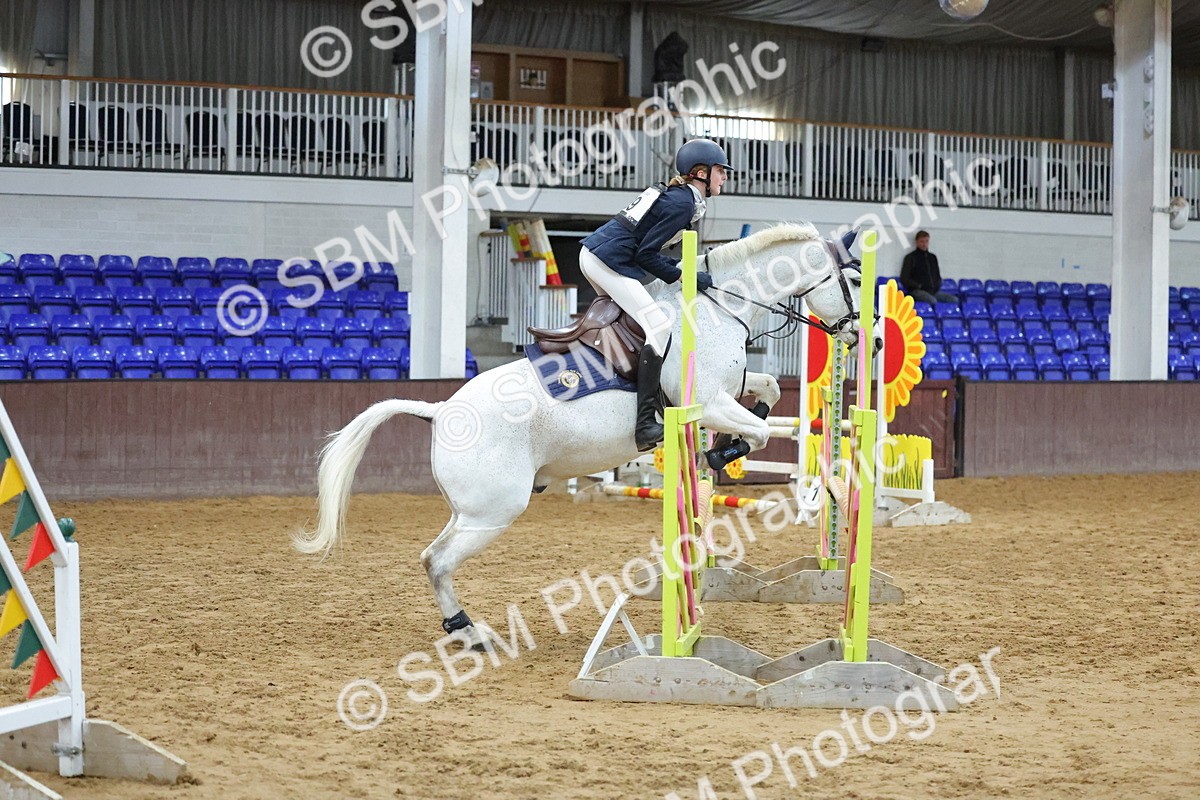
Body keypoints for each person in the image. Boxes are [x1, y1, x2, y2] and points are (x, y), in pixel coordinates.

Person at [578, 138, 732, 452]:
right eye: (720, 171)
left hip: (599, 257)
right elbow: (648, 255)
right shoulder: (683, 203)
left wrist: (684, 272)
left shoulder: (682, 199)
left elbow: (649, 252)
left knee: (631, 325)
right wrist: (687, 277)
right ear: (700, 172)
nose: (725, 177)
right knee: (659, 326)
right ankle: (646, 423)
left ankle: (616, 394)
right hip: (607, 261)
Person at [900, 230, 956, 305]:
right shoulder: (910, 257)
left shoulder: (933, 257)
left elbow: (937, 274)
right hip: (916, 291)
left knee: (954, 300)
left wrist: (937, 284)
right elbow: (904, 278)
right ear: (917, 242)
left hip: (933, 291)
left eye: (926, 241)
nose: (924, 244)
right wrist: (918, 286)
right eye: (922, 241)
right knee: (932, 301)